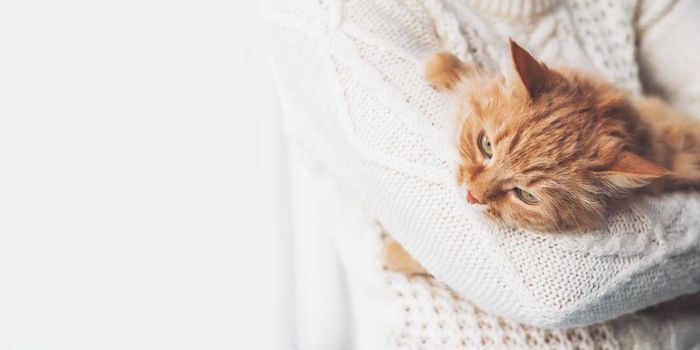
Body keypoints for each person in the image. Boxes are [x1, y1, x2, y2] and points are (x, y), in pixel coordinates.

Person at [264, 0, 700, 348]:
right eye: (485, 148)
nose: (474, 191)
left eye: (523, 194)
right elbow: (547, 290)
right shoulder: (331, 14)